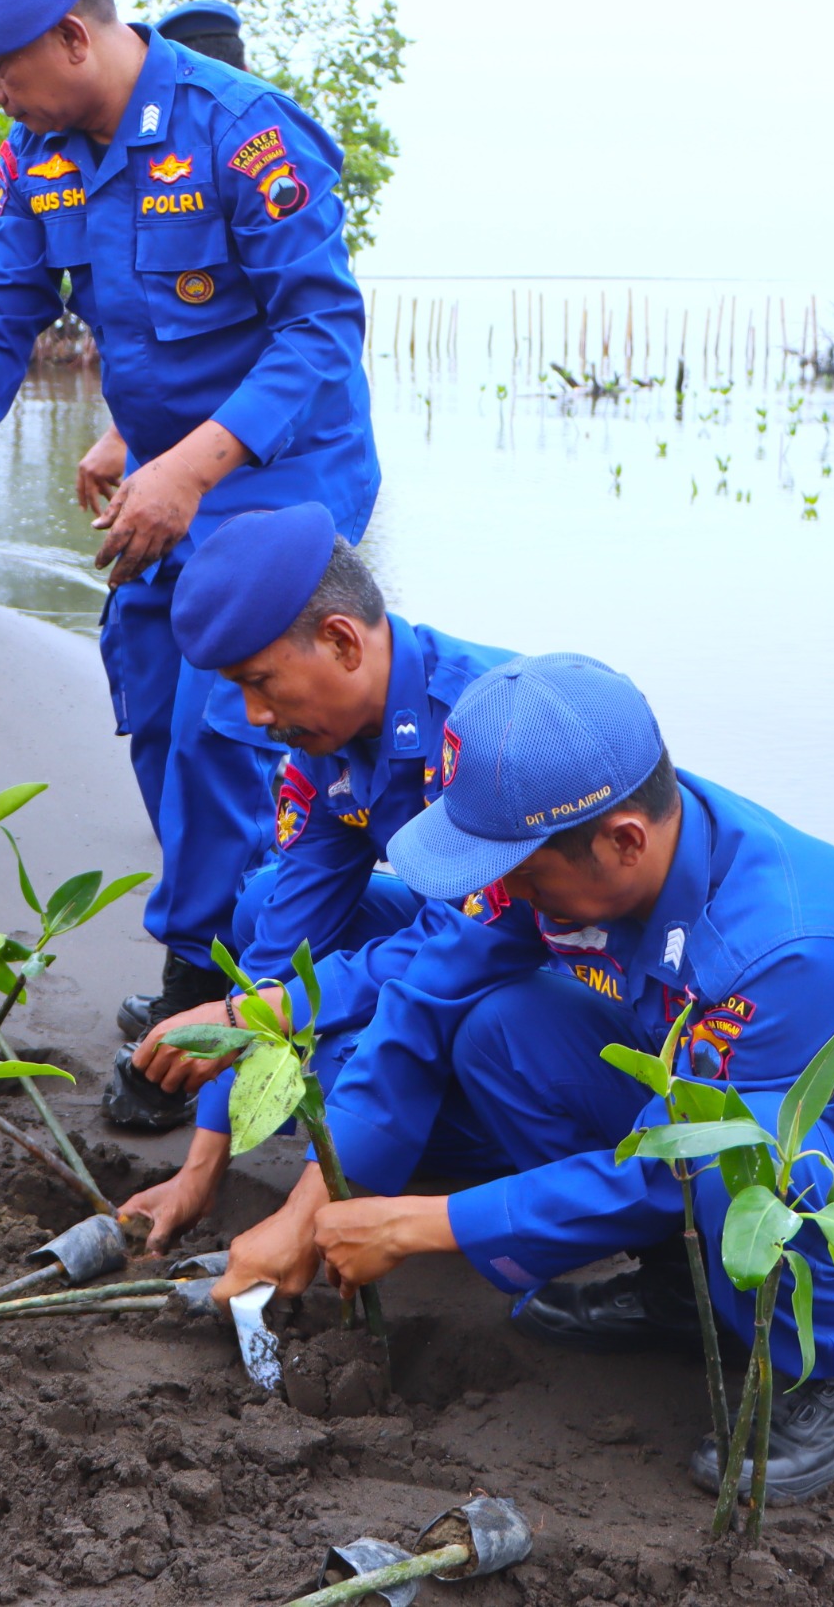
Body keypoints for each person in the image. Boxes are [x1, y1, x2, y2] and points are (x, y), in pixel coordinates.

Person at [214, 654, 834, 1504]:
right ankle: (680, 1291)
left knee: (752, 1155)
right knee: (501, 1033)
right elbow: (422, 1004)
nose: (501, 892)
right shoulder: (581, 846)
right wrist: (309, 1208)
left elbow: (684, 1156)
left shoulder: (785, 946)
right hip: (748, 1126)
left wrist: (422, 1225)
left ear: (624, 841)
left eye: (521, 872)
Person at [0, 0, 379, 1126]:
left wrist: (188, 467)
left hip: (277, 470)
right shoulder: (39, 154)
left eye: (4, 68)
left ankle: (210, 996)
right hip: (161, 470)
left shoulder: (245, 133)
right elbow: (0, 311)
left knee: (232, 723)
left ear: (76, 34)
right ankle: (220, 958)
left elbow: (318, 334)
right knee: (159, 710)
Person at [113, 504, 515, 1245]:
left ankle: (494, 1144)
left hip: (561, 989)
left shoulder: (484, 732)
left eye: (261, 683)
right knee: (264, 904)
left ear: (340, 642)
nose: (254, 715)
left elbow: (460, 949)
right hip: (466, 941)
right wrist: (203, 1169)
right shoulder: (325, 747)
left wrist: (253, 1018)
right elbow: (276, 951)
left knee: (347, 1057)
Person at [71, 0, 255, 493]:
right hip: (169, 450)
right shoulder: (123, 157)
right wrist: (120, 436)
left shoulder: (256, 138)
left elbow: (310, 328)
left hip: (271, 446)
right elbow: (152, 320)